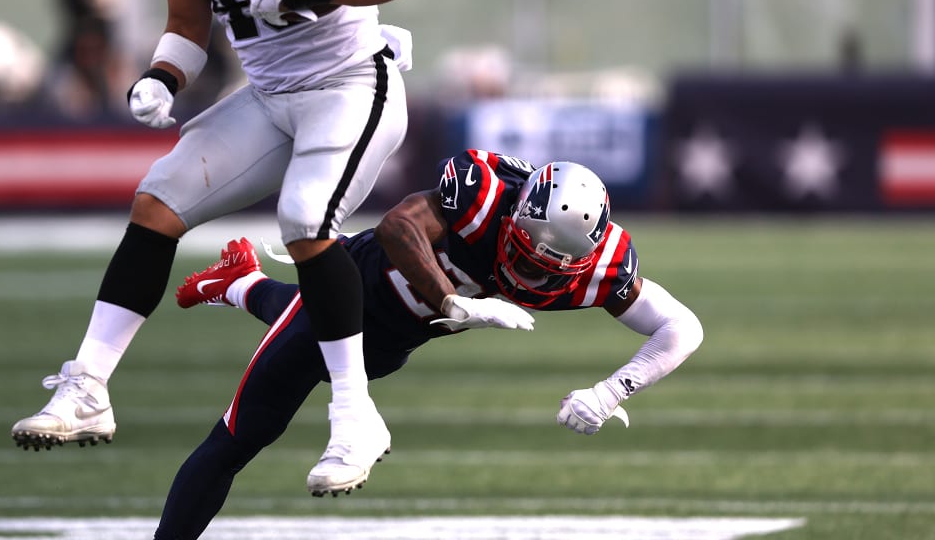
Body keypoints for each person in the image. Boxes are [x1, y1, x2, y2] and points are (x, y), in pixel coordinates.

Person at [11, 0, 413, 498]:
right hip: (268, 93)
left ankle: (355, 415)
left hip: (350, 82)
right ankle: (88, 389)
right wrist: (161, 79)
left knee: (304, 220)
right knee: (158, 200)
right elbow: (188, 26)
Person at [154, 152, 705, 538]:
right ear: (515, 217)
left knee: (317, 344)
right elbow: (397, 226)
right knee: (241, 436)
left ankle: (239, 281)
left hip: (392, 346)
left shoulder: (604, 268)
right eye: (525, 254)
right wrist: (452, 303)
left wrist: (613, 391)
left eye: (549, 271)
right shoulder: (485, 195)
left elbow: (682, 326)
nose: (531, 279)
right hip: (348, 290)